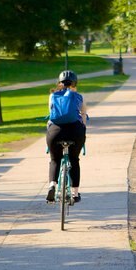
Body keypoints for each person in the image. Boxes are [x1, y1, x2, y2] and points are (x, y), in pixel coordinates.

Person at [45, 70, 87, 203]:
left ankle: (52, 185)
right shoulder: (79, 96)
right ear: (75, 83)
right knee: (74, 159)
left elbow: (51, 116)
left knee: (55, 159)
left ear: (59, 83)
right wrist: (83, 130)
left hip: (55, 131)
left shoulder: (52, 96)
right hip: (75, 131)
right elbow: (83, 116)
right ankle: (75, 193)